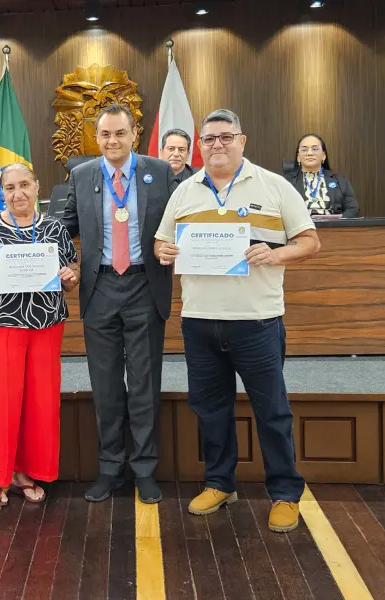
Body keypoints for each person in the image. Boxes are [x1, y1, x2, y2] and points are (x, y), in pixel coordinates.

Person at [154, 109, 321, 533]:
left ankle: (285, 492)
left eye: (225, 137)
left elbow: (310, 241)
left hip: (257, 321)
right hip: (199, 321)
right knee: (211, 410)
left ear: (241, 140)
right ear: (200, 146)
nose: (216, 145)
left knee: (271, 411)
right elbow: (161, 242)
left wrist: (275, 253)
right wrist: (164, 252)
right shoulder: (185, 191)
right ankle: (219, 482)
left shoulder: (274, 185)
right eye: (208, 139)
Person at [61, 103, 176, 504]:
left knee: (144, 384)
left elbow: (176, 221)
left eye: (120, 134)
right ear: (98, 137)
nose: (112, 141)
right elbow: (66, 228)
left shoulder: (160, 172)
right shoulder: (82, 175)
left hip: (145, 285)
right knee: (106, 386)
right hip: (100, 289)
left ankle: (144, 469)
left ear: (134, 134)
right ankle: (110, 468)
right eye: (105, 135)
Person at [0, 163, 79, 507]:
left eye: (24, 185)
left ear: (37, 186)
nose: (18, 194)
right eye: (10, 187)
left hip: (45, 324)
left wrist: (70, 278)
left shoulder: (55, 228)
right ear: (2, 192)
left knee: (40, 401)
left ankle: (26, 470)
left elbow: (72, 272)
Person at [283, 134, 359, 218]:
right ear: (298, 157)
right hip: (300, 229)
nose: (310, 153)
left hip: (334, 228)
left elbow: (353, 209)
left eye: (315, 149)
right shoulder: (286, 182)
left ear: (323, 155)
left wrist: (337, 223)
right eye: (304, 150)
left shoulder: (340, 180)